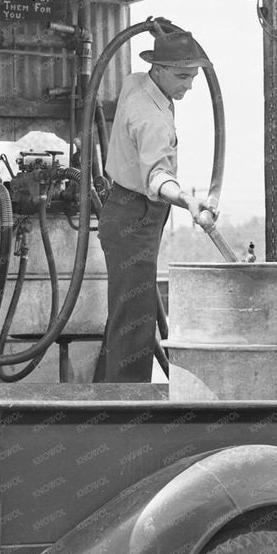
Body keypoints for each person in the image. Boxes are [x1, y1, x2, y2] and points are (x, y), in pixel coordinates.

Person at [93, 19, 217, 382]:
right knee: (136, 319)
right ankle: (128, 407)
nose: (190, 86)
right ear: (159, 69)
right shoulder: (150, 119)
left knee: (127, 310)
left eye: (194, 77)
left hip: (126, 209)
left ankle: (105, 397)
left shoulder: (139, 83)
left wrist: (161, 32)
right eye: (182, 77)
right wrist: (188, 201)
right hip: (135, 214)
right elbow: (157, 178)